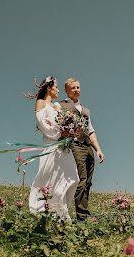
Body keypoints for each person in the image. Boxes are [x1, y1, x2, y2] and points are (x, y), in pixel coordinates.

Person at [27, 76, 79, 221]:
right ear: (49, 88)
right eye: (55, 86)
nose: (58, 90)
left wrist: (71, 131)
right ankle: (45, 211)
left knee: (73, 177)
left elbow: (62, 123)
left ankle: (60, 211)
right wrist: (59, 133)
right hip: (52, 145)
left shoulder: (56, 106)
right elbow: (43, 124)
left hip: (64, 147)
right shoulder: (41, 103)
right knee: (50, 178)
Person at [58, 78, 104, 221]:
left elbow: (91, 131)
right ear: (66, 90)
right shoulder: (59, 105)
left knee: (88, 181)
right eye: (73, 88)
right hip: (74, 146)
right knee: (81, 179)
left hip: (87, 146)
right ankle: (82, 216)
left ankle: (83, 211)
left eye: (78, 87)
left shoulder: (85, 110)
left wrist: (98, 149)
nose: (77, 90)